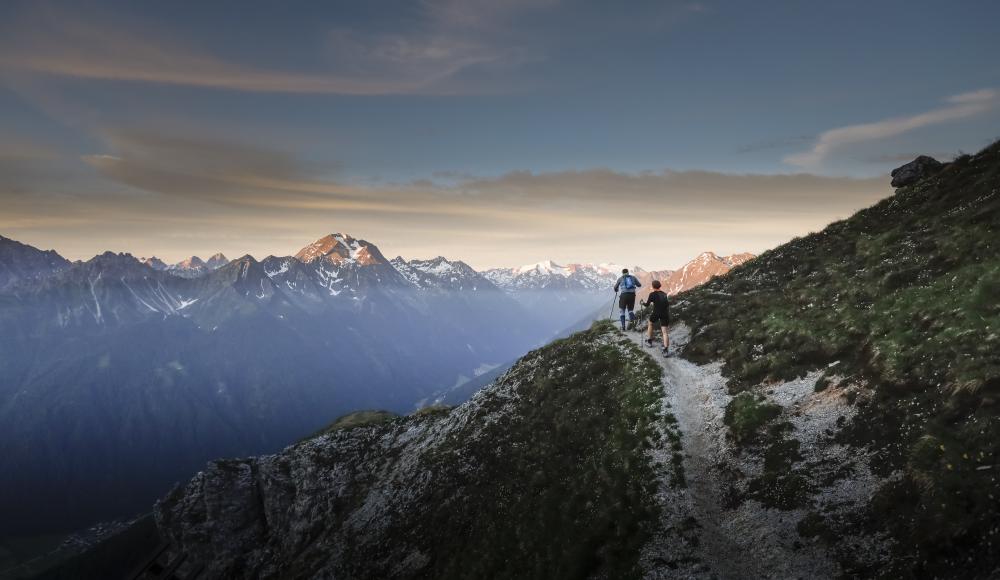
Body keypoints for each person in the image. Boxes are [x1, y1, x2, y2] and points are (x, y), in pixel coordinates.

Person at [641, 280, 670, 355]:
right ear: (660, 285)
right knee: (665, 332)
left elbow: (647, 305)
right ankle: (666, 350)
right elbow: (667, 305)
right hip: (665, 314)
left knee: (650, 323)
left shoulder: (652, 294)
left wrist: (642, 303)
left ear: (653, 286)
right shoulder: (664, 294)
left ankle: (649, 341)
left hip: (656, 313)